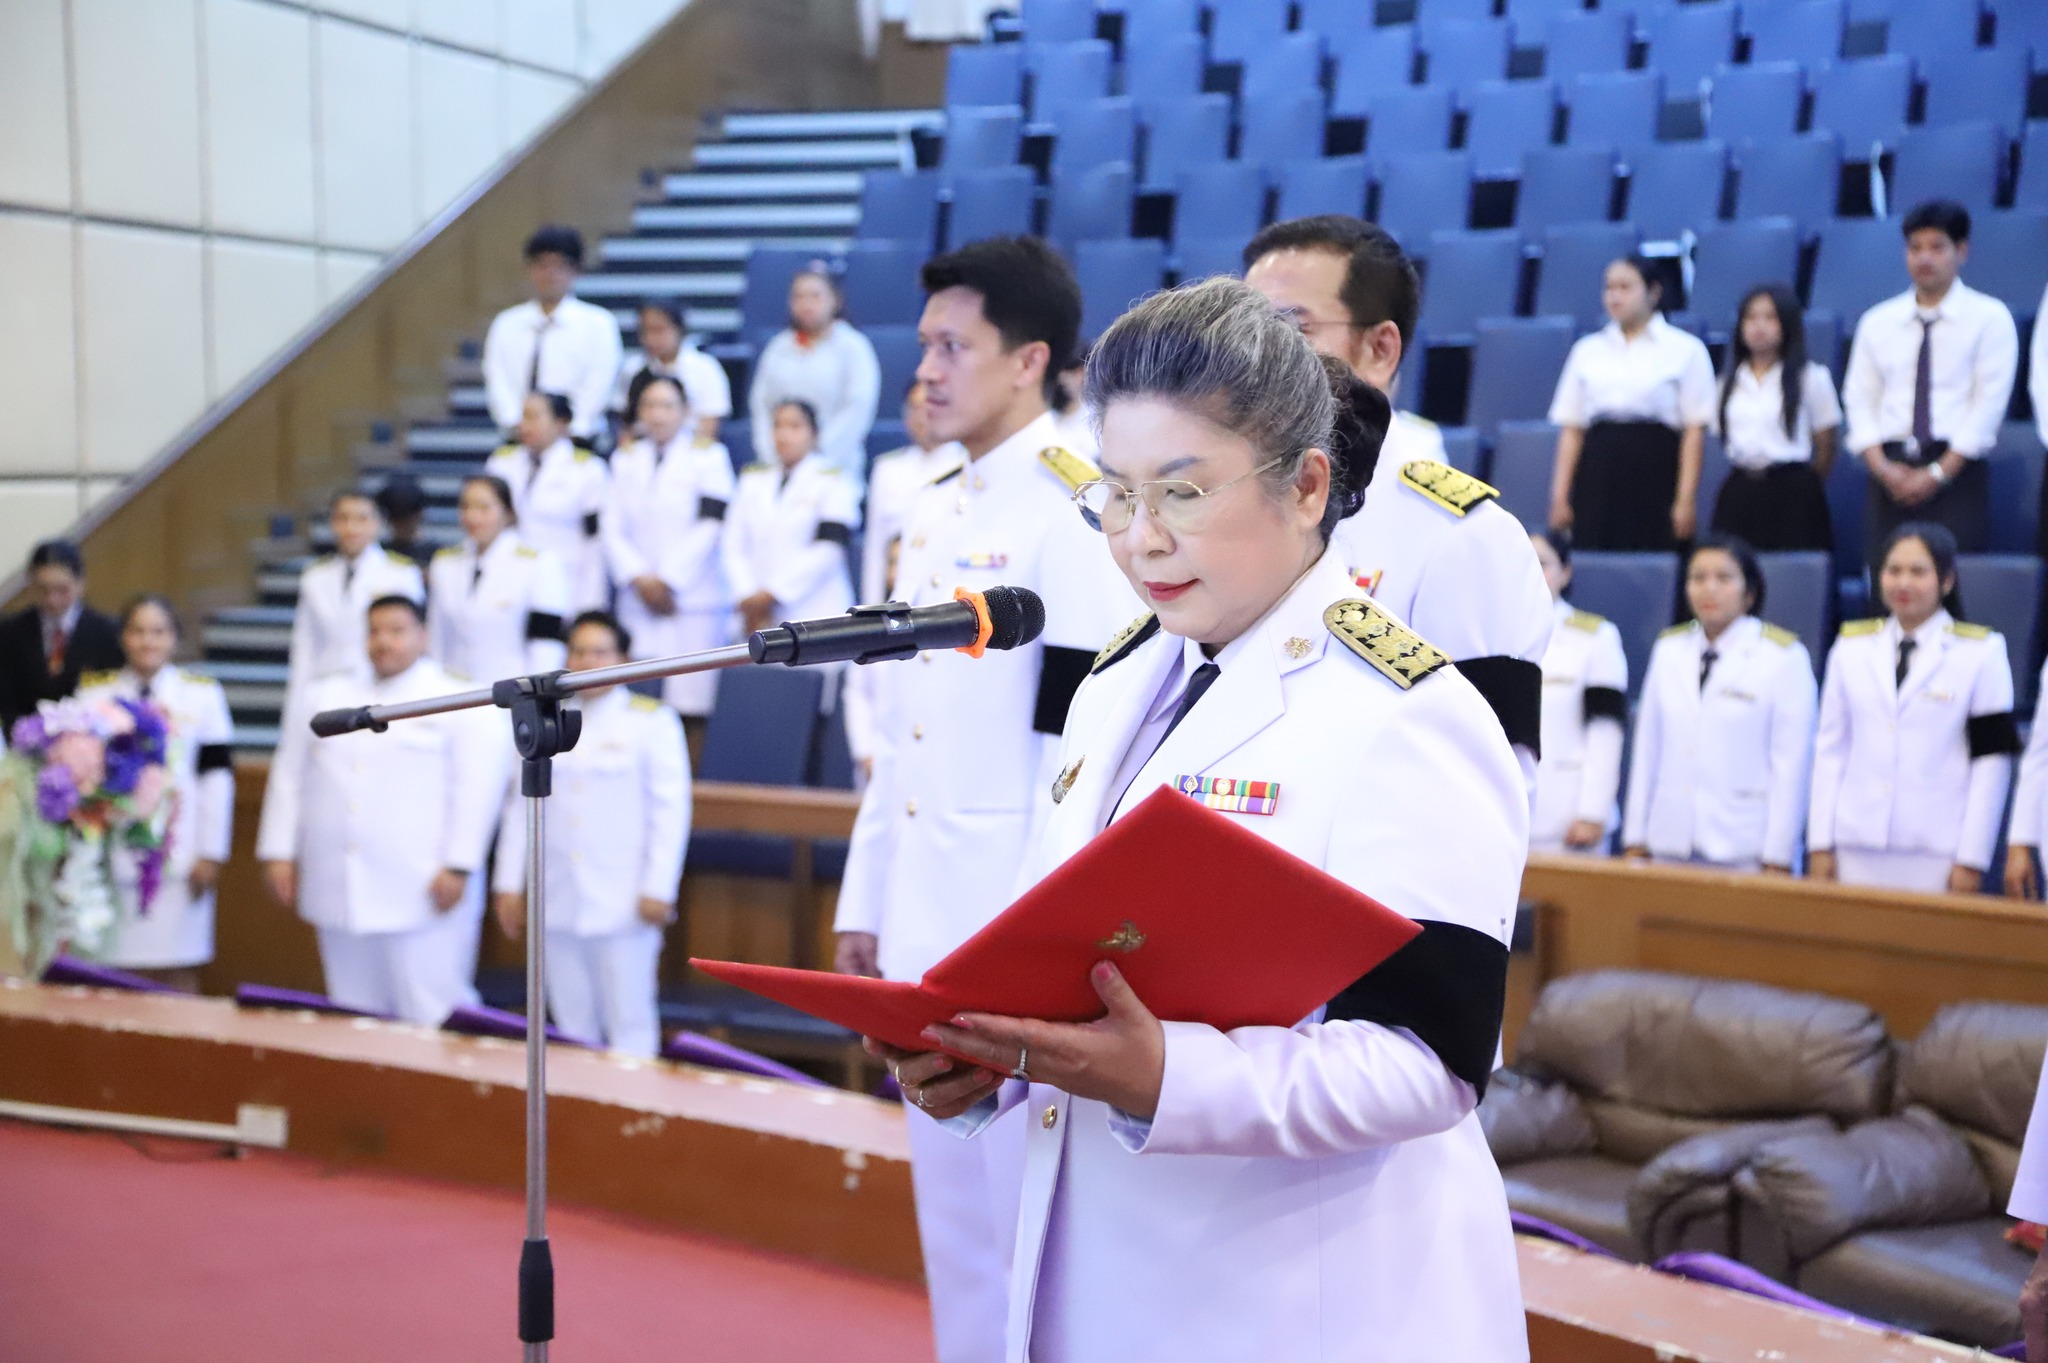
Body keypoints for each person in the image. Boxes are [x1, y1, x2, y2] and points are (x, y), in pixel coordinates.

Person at [872, 277, 1529, 1363]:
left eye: (1179, 495)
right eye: (1113, 498)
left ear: (1308, 484)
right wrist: (988, 1053)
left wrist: (1162, 1075)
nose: (1138, 541)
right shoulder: (1121, 678)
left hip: (1300, 1305)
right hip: (1103, 1276)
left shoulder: (1404, 711)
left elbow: (1429, 1062)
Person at [831, 235, 1139, 1363]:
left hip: (1011, 936)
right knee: (955, 1238)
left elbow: (1080, 750)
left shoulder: (1073, 511)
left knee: (1029, 1239)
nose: (926, 370)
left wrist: (1031, 946)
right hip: (925, 918)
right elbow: (908, 734)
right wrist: (867, 892)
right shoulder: (929, 509)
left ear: (1029, 361)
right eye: (923, 347)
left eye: (953, 346)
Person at [1244, 215, 1553, 790]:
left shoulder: (1462, 537)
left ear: (1380, 349)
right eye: (1245, 332)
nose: (1257, 360)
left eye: (1291, 329)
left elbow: (1483, 791)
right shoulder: (1230, 508)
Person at [257, 596, 506, 1025]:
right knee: (354, 1013)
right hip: (339, 880)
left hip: (423, 883)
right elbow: (289, 774)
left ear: (422, 636)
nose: (383, 641)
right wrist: (278, 850)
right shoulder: (325, 693)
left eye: (396, 630)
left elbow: (478, 788)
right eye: (374, 631)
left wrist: (461, 864)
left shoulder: (456, 695)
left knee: (433, 1009)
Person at [490, 612, 687, 1057]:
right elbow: (519, 806)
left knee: (630, 1022)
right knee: (571, 1026)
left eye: (600, 651)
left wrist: (659, 887)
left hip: (623, 900)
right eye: (578, 651)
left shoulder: (651, 722)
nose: (586, 661)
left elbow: (670, 812)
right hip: (557, 895)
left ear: (624, 658)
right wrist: (508, 884)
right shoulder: (545, 721)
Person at [1807, 522, 2018, 894]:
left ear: (1947, 581)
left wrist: (1973, 857)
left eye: (1918, 572)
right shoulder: (1851, 647)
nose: (1903, 583)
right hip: (1854, 843)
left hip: (1937, 850)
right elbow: (1830, 749)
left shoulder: (1983, 653)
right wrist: (1820, 841)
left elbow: (1992, 762)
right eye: (1893, 570)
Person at [1621, 535, 1817, 873]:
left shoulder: (1783, 656)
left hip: (1744, 847)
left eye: (1724, 578)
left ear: (1749, 591)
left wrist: (1779, 853)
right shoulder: (1669, 650)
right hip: (1667, 841)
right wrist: (1635, 835)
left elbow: (1791, 764)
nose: (1708, 589)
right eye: (1698, 578)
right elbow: (1648, 748)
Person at [1843, 201, 2019, 573]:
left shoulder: (1989, 318)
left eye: (1937, 247)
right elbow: (1859, 399)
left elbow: (1988, 406)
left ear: (1962, 251)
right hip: (1888, 471)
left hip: (1956, 472)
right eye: (1915, 248)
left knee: (1950, 584)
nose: (1925, 258)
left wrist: (1938, 473)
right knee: (1886, 588)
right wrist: (1883, 468)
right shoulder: (1878, 321)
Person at [77, 597, 235, 991]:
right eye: (138, 630)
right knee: (111, 974)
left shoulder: (201, 695)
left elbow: (216, 778)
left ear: (175, 639)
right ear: (123, 638)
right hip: (111, 858)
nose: (148, 641)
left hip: (180, 857)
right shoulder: (94, 696)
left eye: (159, 631)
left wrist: (211, 851)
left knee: (177, 968)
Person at [1548, 255, 1717, 552]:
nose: (1615, 296)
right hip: (1598, 470)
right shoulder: (1587, 350)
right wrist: (1560, 495)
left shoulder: (1685, 350)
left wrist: (1685, 500)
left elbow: (1693, 432)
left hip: (1656, 468)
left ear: (1653, 292)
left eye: (1625, 287)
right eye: (1609, 288)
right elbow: (1572, 429)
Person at [602, 375, 736, 721]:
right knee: (637, 700)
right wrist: (639, 578)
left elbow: (711, 523)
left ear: (685, 411)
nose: (657, 415)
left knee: (692, 703)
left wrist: (669, 579)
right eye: (648, 405)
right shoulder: (624, 458)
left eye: (666, 406)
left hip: (691, 598)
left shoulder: (710, 457)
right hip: (638, 596)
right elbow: (611, 526)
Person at [1709, 285, 1841, 553]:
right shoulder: (1725, 384)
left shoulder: (1811, 378)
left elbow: (1826, 443)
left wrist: (1806, 483)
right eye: (1751, 318)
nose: (1759, 327)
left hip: (1792, 491)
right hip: (1741, 488)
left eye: (1770, 318)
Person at [1526, 530, 1628, 856]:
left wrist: (1593, 813)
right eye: (1522, 562)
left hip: (1568, 816)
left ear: (1565, 572)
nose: (1530, 572)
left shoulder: (1596, 637)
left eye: (1542, 563)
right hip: (1505, 814)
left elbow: (1605, 730)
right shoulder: (1492, 632)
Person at [723, 399, 857, 642]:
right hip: (754, 614)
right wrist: (747, 596)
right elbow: (732, 544)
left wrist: (772, 595)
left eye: (795, 427)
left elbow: (829, 549)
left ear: (813, 434)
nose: (784, 435)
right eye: (778, 426)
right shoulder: (752, 479)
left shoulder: (833, 481)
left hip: (813, 610)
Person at [482, 225, 623, 442]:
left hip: (578, 438)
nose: (551, 274)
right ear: (529, 268)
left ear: (576, 270)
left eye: (560, 266)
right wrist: (516, 423)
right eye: (542, 265)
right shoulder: (507, 323)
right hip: (519, 436)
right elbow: (497, 378)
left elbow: (600, 382)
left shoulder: (598, 324)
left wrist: (571, 426)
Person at [427, 474, 571, 685]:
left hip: (512, 692)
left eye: (484, 508)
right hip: (454, 692)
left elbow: (546, 644)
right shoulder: (444, 564)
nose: (473, 517)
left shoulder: (538, 563)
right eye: (466, 507)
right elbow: (437, 639)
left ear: (508, 512)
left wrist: (538, 694)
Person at [747, 264, 882, 481]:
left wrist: (814, 455)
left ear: (835, 300)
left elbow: (858, 407)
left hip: (835, 469)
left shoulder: (854, 347)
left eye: (815, 296)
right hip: (778, 467)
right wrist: (772, 453)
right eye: (799, 297)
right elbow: (760, 406)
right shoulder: (778, 347)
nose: (806, 304)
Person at [287, 491, 425, 693]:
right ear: (332, 523)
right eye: (343, 519)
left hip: (381, 686)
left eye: (362, 519)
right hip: (325, 686)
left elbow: (412, 639)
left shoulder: (401, 573)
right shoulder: (314, 577)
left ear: (377, 523)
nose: (351, 528)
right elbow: (304, 646)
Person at [484, 391, 610, 611]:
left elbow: (594, 541)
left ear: (561, 423)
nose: (524, 425)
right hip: (510, 581)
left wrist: (590, 601)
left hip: (566, 581)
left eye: (534, 417)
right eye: (523, 417)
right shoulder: (501, 462)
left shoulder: (587, 469)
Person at [0, 540, 124, 732]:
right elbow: (6, 700)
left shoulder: (107, 632)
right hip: (24, 743)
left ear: (80, 582)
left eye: (61, 589)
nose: (52, 599)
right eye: (42, 590)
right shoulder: (10, 631)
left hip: (87, 741)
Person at [861, 379, 961, 604]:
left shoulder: (966, 464)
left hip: (945, 596)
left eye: (929, 405)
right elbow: (875, 549)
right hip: (897, 592)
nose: (921, 415)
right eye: (914, 407)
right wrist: (871, 607)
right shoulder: (887, 469)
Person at [613, 298, 732, 445]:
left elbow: (709, 429)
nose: (650, 339)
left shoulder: (705, 368)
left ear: (679, 329)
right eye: (644, 331)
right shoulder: (632, 369)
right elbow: (626, 427)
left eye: (658, 330)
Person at [374, 473, 433, 570]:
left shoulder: (438, 556)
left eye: (407, 519)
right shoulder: (377, 553)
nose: (403, 525)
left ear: (420, 514)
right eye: (397, 519)